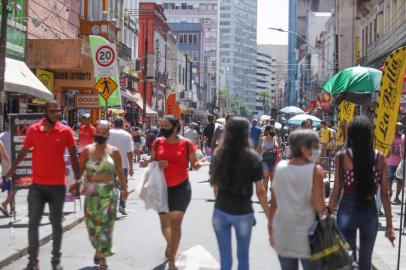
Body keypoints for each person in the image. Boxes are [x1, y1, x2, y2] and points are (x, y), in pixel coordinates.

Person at [7, 101, 80, 270]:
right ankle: (33, 261)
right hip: (38, 186)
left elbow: (74, 157)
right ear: (46, 112)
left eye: (59, 111)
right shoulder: (34, 130)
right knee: (33, 223)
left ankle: (56, 261)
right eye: (54, 111)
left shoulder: (66, 131)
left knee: (56, 224)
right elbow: (23, 152)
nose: (58, 113)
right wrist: (11, 170)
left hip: (57, 186)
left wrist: (77, 181)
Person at [329, 116, 395, 270]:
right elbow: (385, 195)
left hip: (347, 209)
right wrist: (389, 226)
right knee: (366, 262)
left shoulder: (342, 156)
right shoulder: (380, 158)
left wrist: (328, 214)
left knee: (348, 260)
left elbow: (336, 191)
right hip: (370, 209)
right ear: (370, 135)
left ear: (351, 135)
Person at [210, 117, 270, 270]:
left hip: (221, 211)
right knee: (243, 257)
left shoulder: (219, 155)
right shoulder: (253, 158)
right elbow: (261, 192)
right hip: (243, 212)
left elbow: (215, 188)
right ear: (246, 134)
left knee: (225, 260)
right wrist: (270, 218)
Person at [151, 115, 207, 270]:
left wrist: (203, 162)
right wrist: (155, 163)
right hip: (161, 188)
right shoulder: (157, 143)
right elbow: (151, 162)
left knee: (175, 224)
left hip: (181, 188)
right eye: (162, 125)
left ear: (175, 128)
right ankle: (171, 243)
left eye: (166, 126)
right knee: (164, 224)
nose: (163, 129)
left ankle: (172, 260)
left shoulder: (187, 144)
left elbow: (194, 165)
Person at [269, 129, 325, 270]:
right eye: (315, 146)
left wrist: (270, 230)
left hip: (283, 233)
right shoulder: (315, 171)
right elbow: (320, 207)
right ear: (305, 149)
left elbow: (274, 204)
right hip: (308, 237)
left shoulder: (280, 167)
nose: (318, 150)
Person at [78, 120, 129, 270]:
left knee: (105, 226)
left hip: (109, 192)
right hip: (91, 192)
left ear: (108, 133)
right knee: (91, 227)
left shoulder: (114, 151)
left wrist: (125, 189)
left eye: (104, 132)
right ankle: (98, 248)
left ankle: (103, 259)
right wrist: (74, 184)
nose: (100, 134)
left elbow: (120, 172)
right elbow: (80, 170)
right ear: (95, 132)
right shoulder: (87, 150)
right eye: (98, 132)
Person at [107, 118, 133, 216]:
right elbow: (129, 152)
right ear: (122, 125)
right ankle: (122, 206)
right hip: (123, 165)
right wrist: (131, 166)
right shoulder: (127, 135)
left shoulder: (108, 133)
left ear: (113, 124)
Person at [256, 125, 281, 196]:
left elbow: (279, 150)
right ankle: (264, 196)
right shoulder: (262, 139)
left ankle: (273, 197)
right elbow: (258, 150)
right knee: (265, 180)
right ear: (267, 131)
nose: (273, 132)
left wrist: (277, 150)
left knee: (273, 181)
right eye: (272, 131)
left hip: (274, 161)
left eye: (274, 131)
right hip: (264, 161)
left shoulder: (277, 139)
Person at [387, 122, 404, 204]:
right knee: (389, 179)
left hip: (400, 163)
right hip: (390, 162)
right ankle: (390, 192)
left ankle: (397, 197)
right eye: (399, 127)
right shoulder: (390, 137)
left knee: (400, 180)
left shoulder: (404, 137)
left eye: (401, 128)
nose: (400, 129)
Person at [0, 123, 12, 216]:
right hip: (9, 168)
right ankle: (8, 206)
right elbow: (5, 156)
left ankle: (11, 207)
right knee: (12, 188)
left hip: (6, 168)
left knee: (11, 188)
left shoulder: (1, 137)